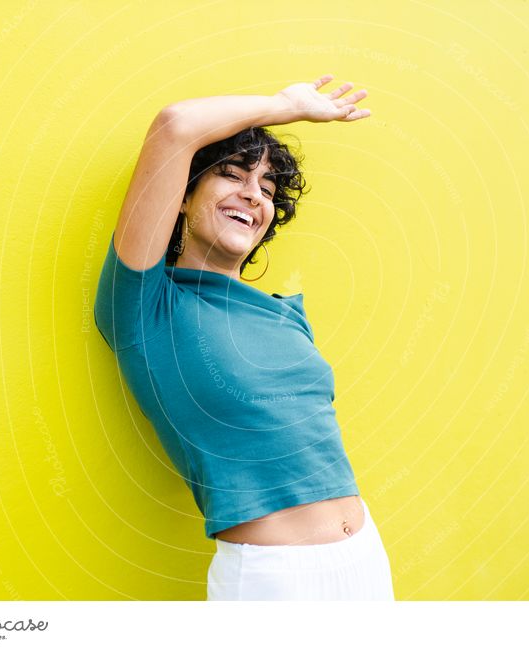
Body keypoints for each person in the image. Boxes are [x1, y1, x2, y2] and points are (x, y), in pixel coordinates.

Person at [94, 74, 394, 600]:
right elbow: (176, 126)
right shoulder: (146, 305)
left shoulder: (286, 316)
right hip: (272, 581)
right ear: (183, 197)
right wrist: (286, 106)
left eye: (268, 189)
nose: (252, 194)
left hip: (364, 555)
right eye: (231, 175)